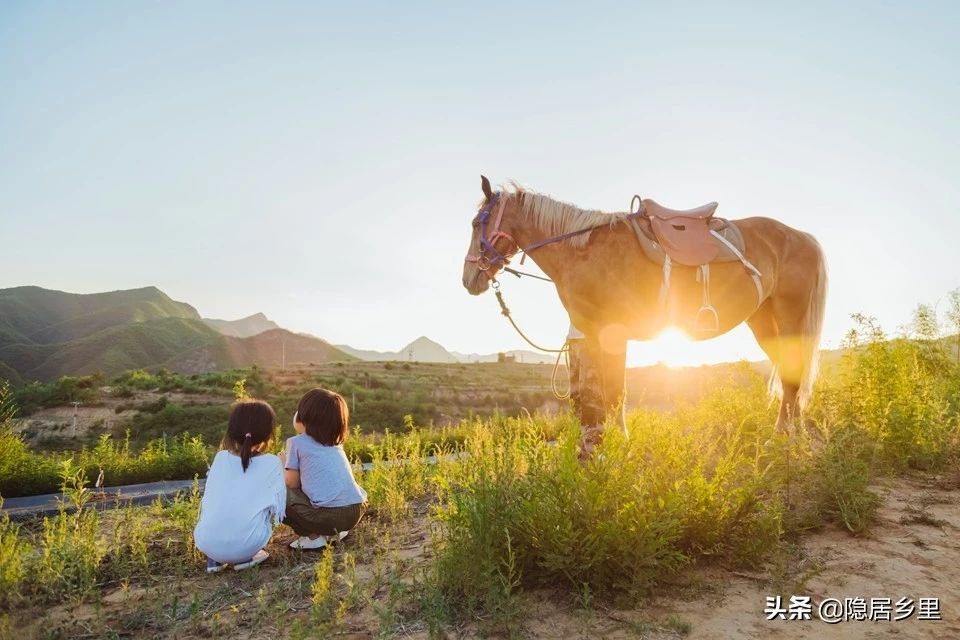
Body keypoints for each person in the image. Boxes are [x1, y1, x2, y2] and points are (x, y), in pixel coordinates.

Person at [194, 400, 286, 572]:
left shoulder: (220, 458)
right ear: (268, 433)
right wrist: (283, 465)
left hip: (205, 542)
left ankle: (215, 560)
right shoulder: (273, 463)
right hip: (248, 545)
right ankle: (248, 556)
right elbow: (277, 509)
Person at [282, 388, 368, 550]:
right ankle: (334, 533)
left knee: (279, 492)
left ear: (304, 417)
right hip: (356, 510)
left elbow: (292, 484)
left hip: (329, 517)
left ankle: (313, 537)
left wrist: (283, 467)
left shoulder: (296, 442)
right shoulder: (336, 443)